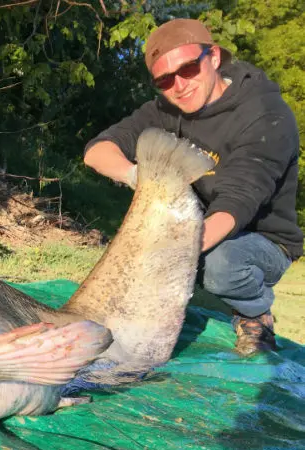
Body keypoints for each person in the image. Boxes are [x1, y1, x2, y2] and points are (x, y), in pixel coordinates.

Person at [83, 18, 303, 356]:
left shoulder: (266, 115)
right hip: (196, 224)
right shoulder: (166, 109)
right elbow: (97, 151)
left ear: (213, 57)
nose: (179, 85)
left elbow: (236, 203)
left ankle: (255, 312)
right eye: (165, 79)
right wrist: (132, 174)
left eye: (188, 69)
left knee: (220, 266)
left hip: (264, 239)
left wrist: (169, 256)